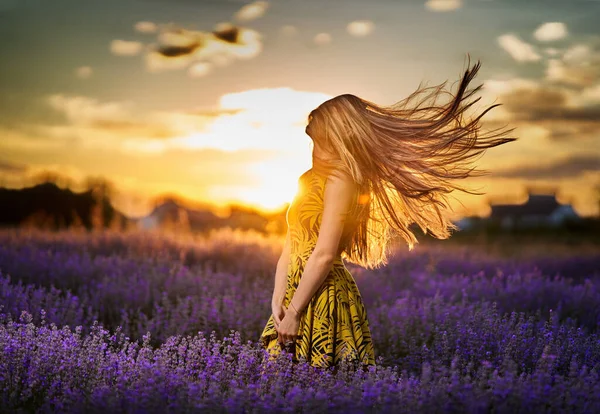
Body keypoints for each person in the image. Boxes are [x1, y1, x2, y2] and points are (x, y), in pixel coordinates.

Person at [259, 57, 517, 369]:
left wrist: (296, 310)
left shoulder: (341, 179)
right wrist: (278, 299)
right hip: (294, 296)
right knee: (282, 388)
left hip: (324, 296)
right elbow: (291, 244)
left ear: (336, 132)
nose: (314, 146)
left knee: (325, 389)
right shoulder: (306, 180)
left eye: (320, 130)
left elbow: (325, 253)